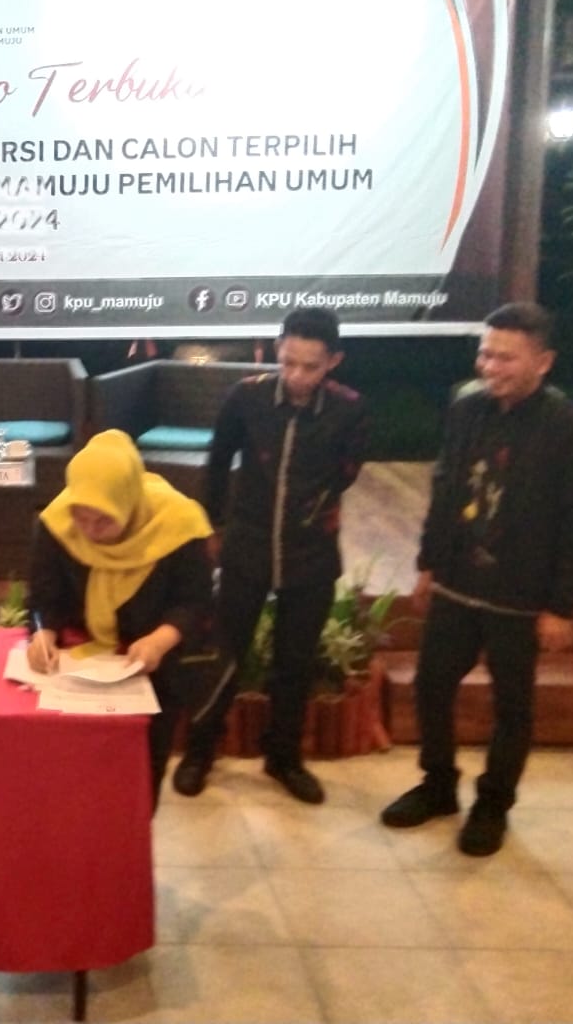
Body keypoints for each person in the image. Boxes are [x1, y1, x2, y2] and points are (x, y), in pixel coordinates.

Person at [381, 302, 573, 856]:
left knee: (512, 705)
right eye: (486, 353)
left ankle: (493, 803)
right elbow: (446, 487)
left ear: (543, 362)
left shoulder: (571, 430)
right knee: (432, 685)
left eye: (506, 357)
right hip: (457, 583)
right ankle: (438, 785)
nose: (490, 367)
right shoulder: (466, 408)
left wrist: (563, 607)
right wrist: (429, 563)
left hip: (521, 596)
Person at [175, 307, 369, 804]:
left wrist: (314, 509)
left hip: (311, 553)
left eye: (310, 366)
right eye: (288, 362)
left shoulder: (349, 409)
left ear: (334, 362)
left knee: (295, 661)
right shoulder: (247, 396)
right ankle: (200, 751)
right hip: (247, 545)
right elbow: (218, 462)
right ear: (277, 350)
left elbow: (346, 473)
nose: (297, 375)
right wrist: (213, 526)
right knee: (224, 652)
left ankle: (284, 757)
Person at [26, 429, 215, 804]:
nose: (90, 532)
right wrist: (42, 633)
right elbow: (44, 596)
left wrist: (160, 640)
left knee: (138, 777)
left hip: (152, 664)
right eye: (82, 518)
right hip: (79, 663)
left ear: (128, 503)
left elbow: (195, 601)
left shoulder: (178, 524)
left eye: (104, 521)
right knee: (74, 777)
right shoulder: (58, 523)